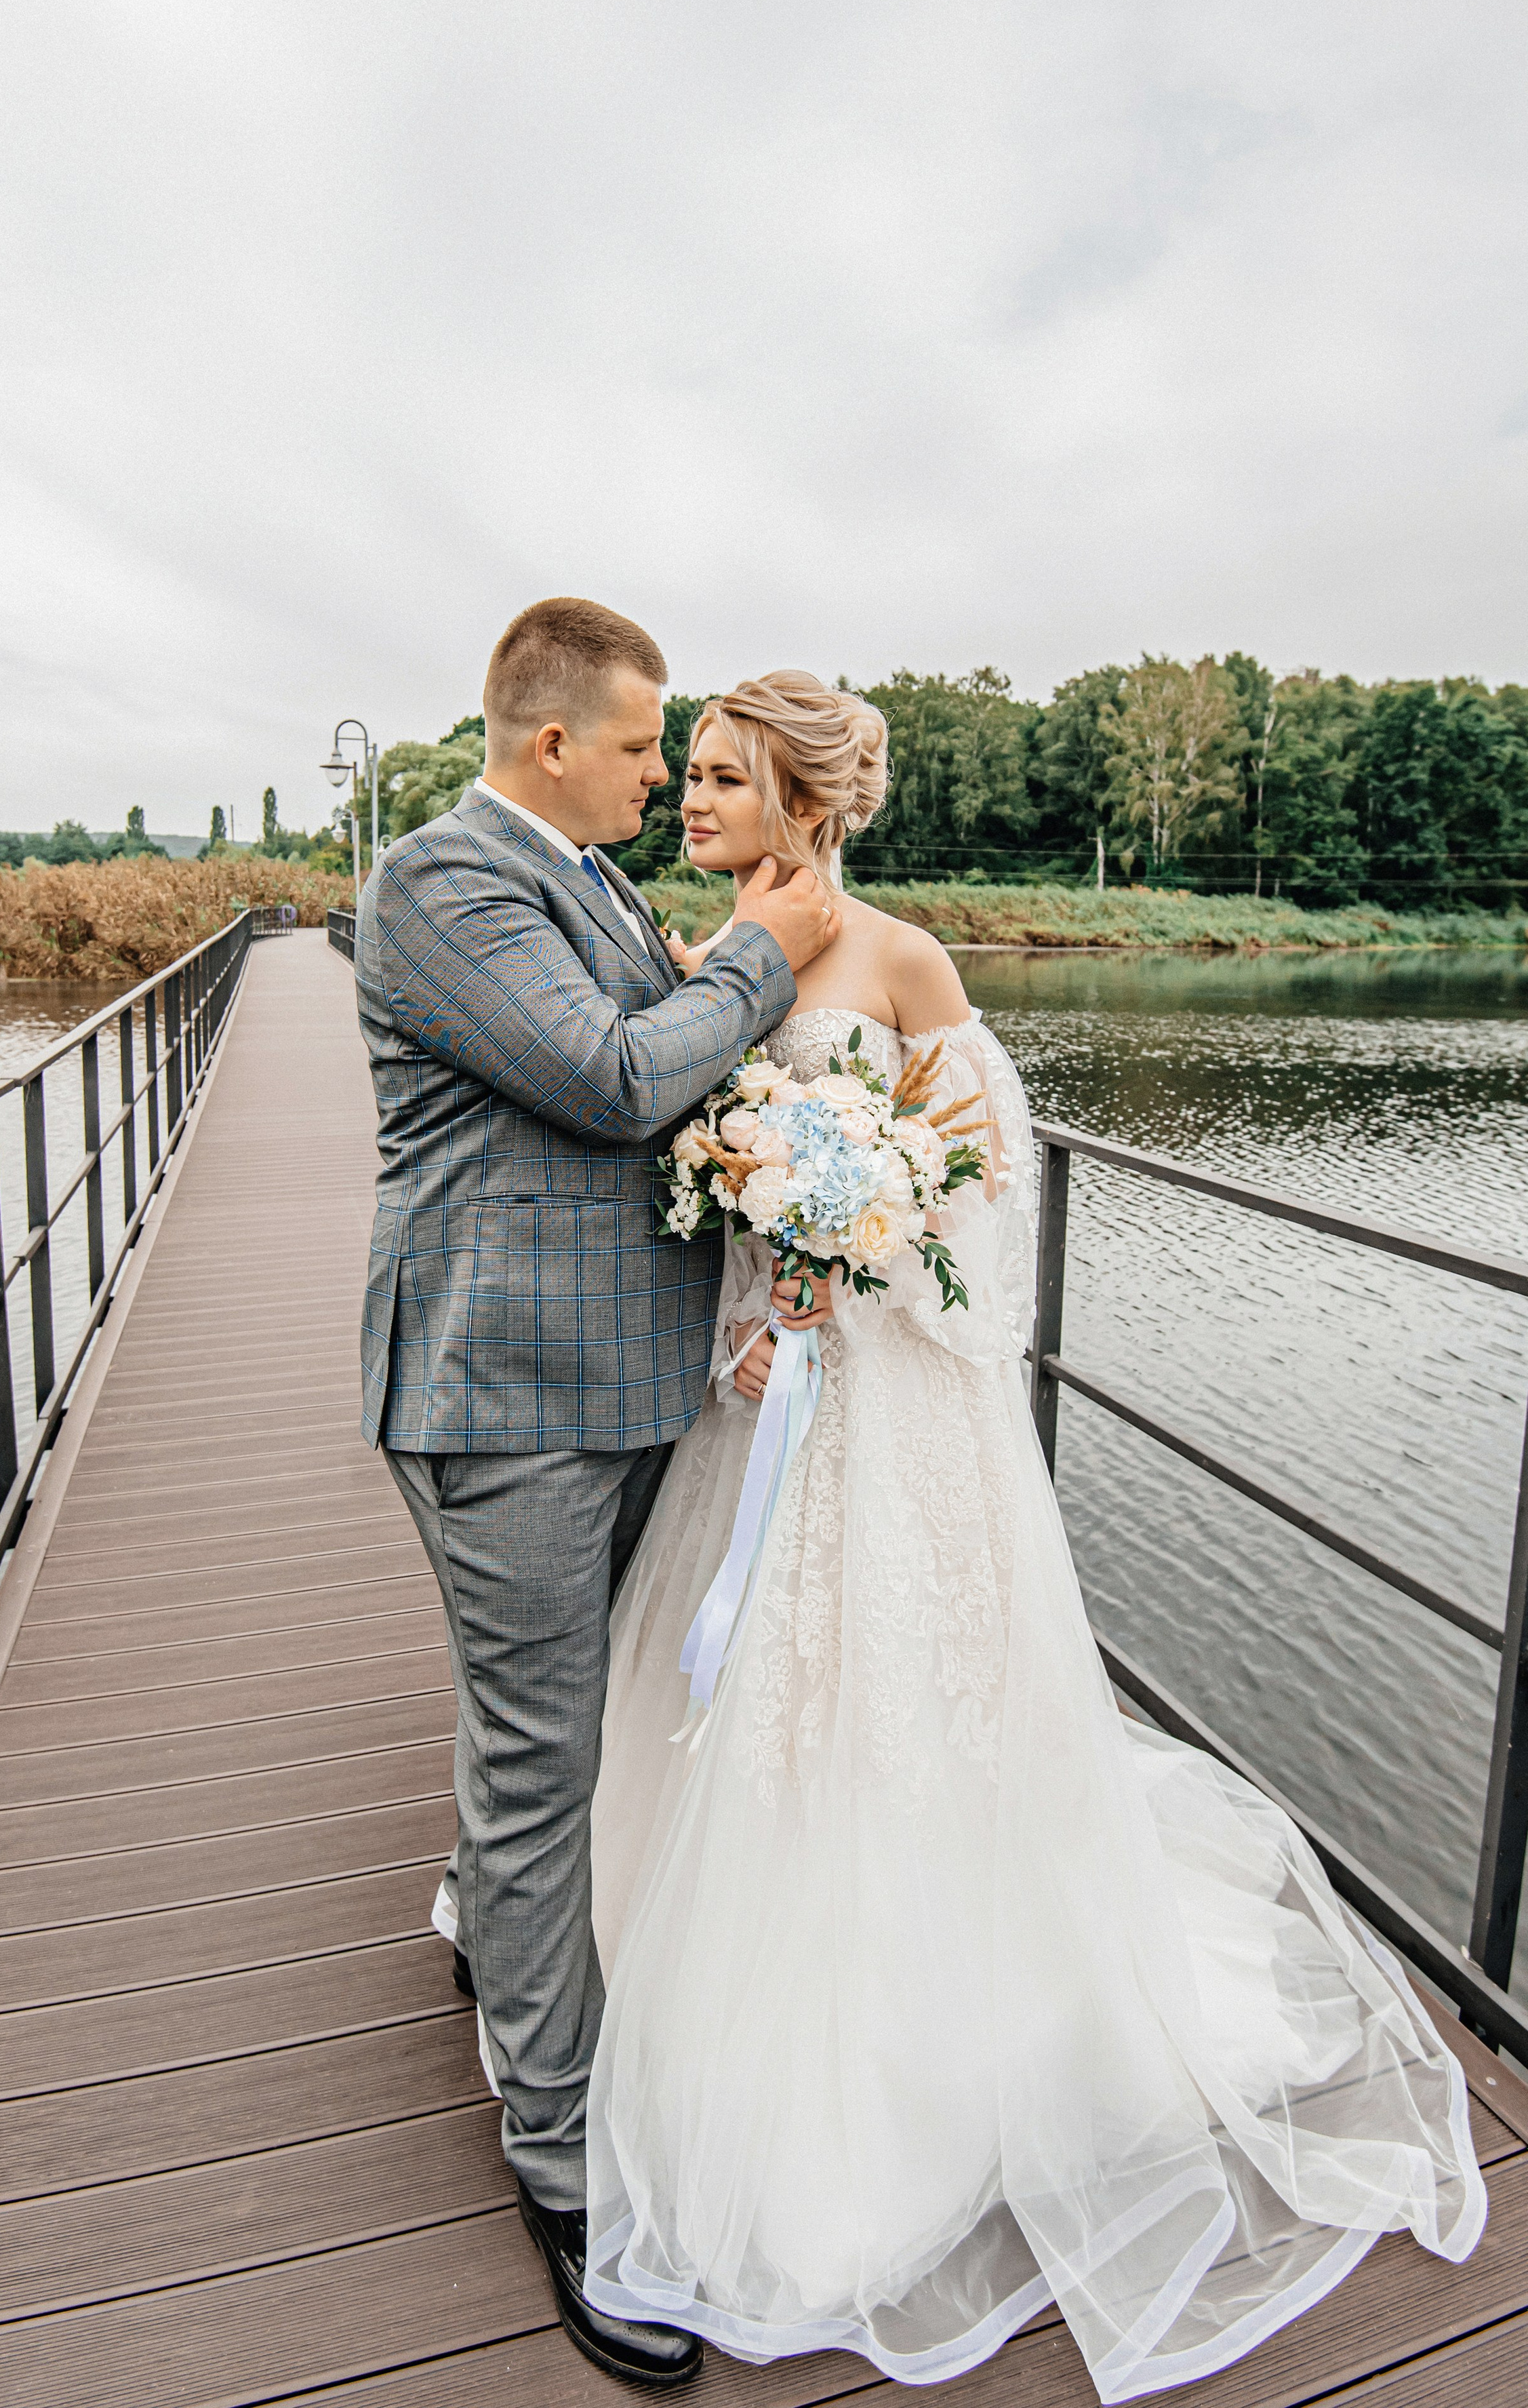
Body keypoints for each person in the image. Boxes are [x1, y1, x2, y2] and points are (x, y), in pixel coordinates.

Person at [582, 670, 1485, 2399]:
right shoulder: (703, 961)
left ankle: (952, 2048)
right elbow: (696, 1189)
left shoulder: (904, 964)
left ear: (805, 798)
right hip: (758, 1395)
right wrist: (754, 1313)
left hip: (892, 1405)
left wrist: (863, 1265)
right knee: (753, 1697)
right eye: (684, 773)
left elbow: (976, 1190)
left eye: (717, 777)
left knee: (904, 1706)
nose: (688, 800)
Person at [354, 599, 839, 2388]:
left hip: (630, 1394)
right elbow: (622, 1076)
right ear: (553, 741)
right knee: (548, 1754)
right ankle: (563, 2168)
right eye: (647, 747)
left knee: (551, 1730)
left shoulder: (600, 884)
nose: (664, 770)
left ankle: (497, 1919)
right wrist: (771, 953)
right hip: (506, 1401)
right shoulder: (439, 881)